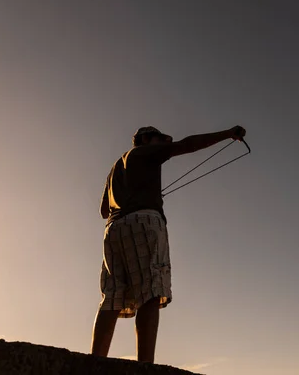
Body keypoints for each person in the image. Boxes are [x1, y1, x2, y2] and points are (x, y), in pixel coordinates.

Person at [90, 125, 246, 363]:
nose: (165, 142)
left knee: (111, 296)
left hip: (113, 229)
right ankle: (145, 366)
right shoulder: (143, 152)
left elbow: (103, 210)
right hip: (144, 222)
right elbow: (187, 145)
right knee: (151, 293)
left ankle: (93, 363)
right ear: (145, 139)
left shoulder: (115, 168)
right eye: (160, 139)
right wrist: (227, 134)